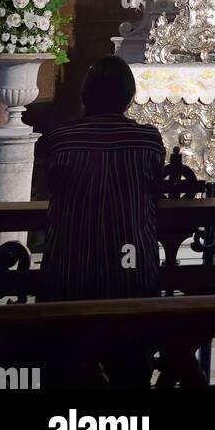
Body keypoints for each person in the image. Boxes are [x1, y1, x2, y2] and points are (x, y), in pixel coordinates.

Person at [39, 55, 165, 303]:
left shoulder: (62, 139)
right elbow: (155, 190)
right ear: (129, 97)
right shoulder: (146, 140)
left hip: (69, 270)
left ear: (86, 94)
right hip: (131, 269)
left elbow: (51, 187)